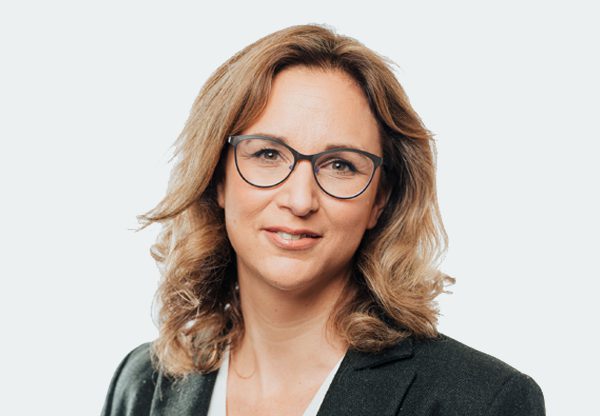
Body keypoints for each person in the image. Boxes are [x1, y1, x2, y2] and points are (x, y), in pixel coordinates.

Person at [101, 24, 545, 415]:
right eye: (268, 154)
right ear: (217, 178)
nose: (300, 200)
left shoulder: (482, 401)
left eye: (340, 165)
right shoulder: (143, 383)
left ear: (380, 200)